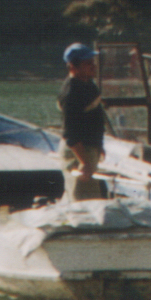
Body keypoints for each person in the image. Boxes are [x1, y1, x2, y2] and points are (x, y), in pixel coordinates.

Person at [57, 43, 106, 200]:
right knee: (84, 203)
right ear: (73, 67)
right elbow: (70, 133)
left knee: (88, 199)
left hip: (89, 150)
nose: (93, 66)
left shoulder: (87, 84)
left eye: (93, 62)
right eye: (88, 63)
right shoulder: (71, 92)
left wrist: (99, 146)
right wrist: (83, 162)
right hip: (78, 154)